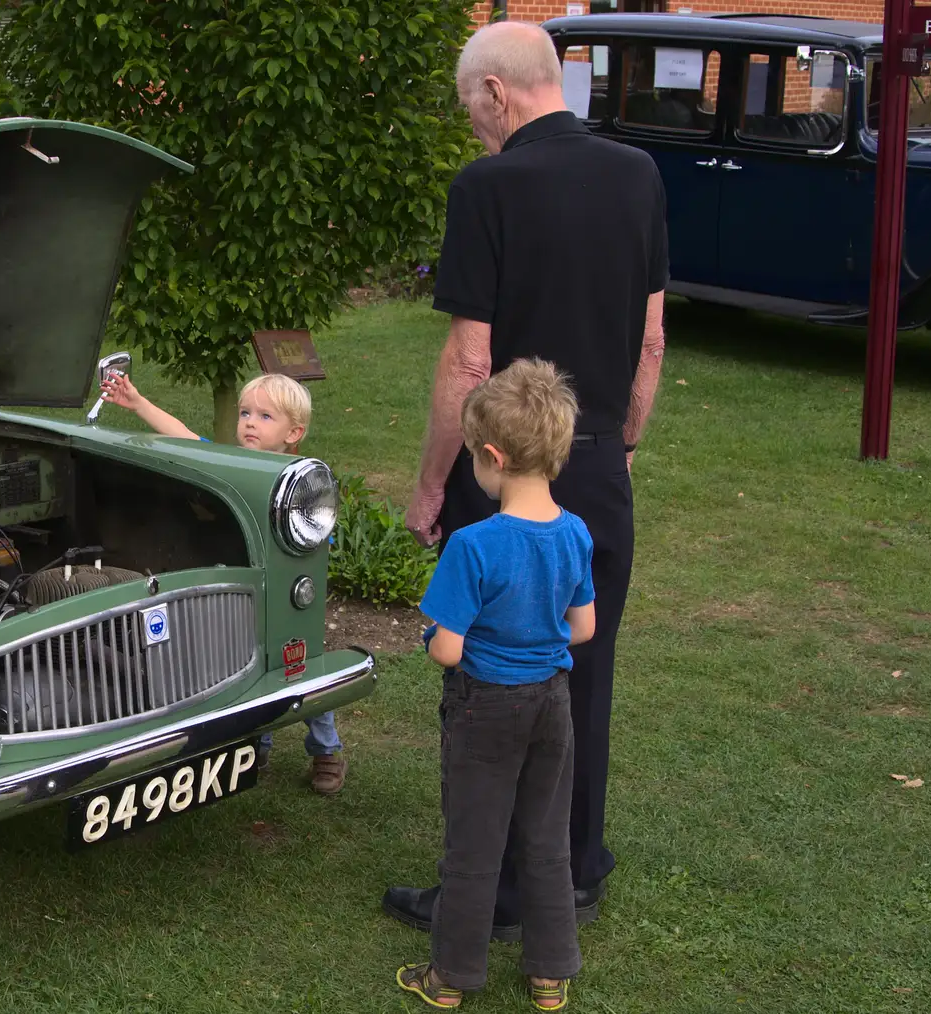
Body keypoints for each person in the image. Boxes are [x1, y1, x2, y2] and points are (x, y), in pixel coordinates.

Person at [384, 19, 669, 939]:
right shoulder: (639, 175)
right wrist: (618, 451)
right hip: (594, 470)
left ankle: (494, 893)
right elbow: (651, 340)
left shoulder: (489, 185)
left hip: (504, 474)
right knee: (583, 670)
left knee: (491, 683)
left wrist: (432, 489)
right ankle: (575, 867)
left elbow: (470, 363)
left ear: (497, 93)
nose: (470, 121)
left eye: (470, 104)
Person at [396, 358, 594, 1011]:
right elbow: (584, 628)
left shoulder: (473, 546)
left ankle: (450, 978)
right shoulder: (576, 534)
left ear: (490, 456)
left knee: (474, 844)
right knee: (545, 837)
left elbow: (448, 650)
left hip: (486, 709)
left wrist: (434, 637)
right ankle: (550, 974)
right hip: (552, 705)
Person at [97, 369, 349, 795]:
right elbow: (182, 437)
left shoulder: (301, 480)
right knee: (244, 666)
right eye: (246, 412)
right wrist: (137, 403)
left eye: (266, 417)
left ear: (294, 432)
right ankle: (258, 743)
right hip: (242, 593)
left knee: (300, 668)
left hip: (284, 598)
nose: (250, 422)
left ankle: (326, 750)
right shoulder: (232, 465)